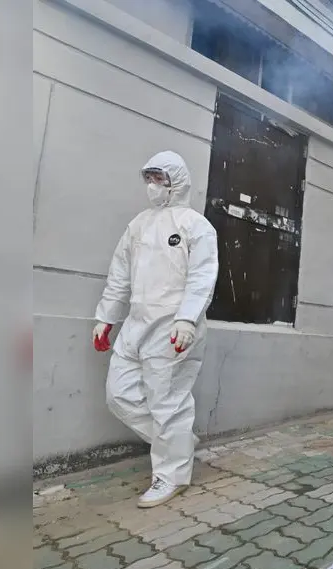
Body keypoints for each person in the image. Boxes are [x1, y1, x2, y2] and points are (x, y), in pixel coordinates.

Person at [92, 151, 219, 507]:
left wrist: (187, 318)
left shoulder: (196, 225)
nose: (152, 186)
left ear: (175, 181)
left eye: (159, 179)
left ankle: (172, 476)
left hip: (174, 326)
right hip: (136, 323)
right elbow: (119, 275)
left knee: (167, 402)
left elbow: (202, 276)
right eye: (148, 178)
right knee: (119, 395)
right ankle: (179, 443)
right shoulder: (138, 225)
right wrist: (106, 318)